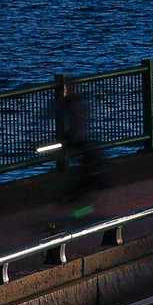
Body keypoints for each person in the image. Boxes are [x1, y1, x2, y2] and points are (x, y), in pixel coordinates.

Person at [49, 75, 105, 222]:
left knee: (81, 183)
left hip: (81, 146)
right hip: (84, 146)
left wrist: (68, 140)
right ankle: (81, 210)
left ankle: (79, 212)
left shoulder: (71, 104)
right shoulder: (79, 103)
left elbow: (75, 129)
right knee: (83, 181)